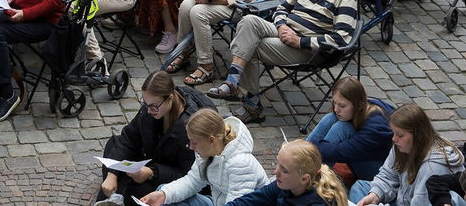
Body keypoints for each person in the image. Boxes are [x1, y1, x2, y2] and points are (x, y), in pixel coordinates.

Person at [206, 0, 359, 121]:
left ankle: (252, 104)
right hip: (285, 31)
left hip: (308, 49)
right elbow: (281, 9)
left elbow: (341, 39)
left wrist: (299, 41)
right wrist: (282, 25)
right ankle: (232, 83)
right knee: (248, 21)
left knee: (252, 45)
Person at [97, 70, 214, 204]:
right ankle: (114, 191)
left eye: (153, 106)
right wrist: (112, 173)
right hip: (151, 159)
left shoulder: (189, 128)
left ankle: (118, 193)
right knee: (113, 144)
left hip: (169, 177)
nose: (148, 110)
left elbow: (188, 176)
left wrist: (152, 173)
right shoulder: (151, 110)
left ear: (169, 99)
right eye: (145, 104)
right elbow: (128, 138)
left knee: (137, 191)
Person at [137, 107, 267, 206]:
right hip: (218, 202)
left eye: (194, 142)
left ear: (211, 139)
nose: (190, 147)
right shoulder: (206, 153)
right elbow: (192, 181)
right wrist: (163, 195)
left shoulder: (240, 164)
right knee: (162, 194)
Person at [351, 103, 465, 206]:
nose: (394, 139)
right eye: (394, 133)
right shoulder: (402, 146)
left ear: (418, 136)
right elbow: (388, 175)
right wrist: (375, 196)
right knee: (360, 187)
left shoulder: (432, 168)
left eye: (400, 135)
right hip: (403, 198)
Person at [304, 76, 393, 184]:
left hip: (384, 177)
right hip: (367, 155)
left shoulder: (376, 127)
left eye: (342, 105)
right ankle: (298, 159)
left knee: (342, 128)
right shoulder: (363, 106)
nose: (336, 109)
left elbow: (340, 151)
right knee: (331, 118)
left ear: (358, 106)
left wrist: (309, 146)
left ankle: (312, 178)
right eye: (334, 103)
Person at [225, 138, 351, 206]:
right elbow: (246, 201)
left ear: (304, 179)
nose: (275, 172)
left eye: (284, 170)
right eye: (278, 164)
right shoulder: (286, 185)